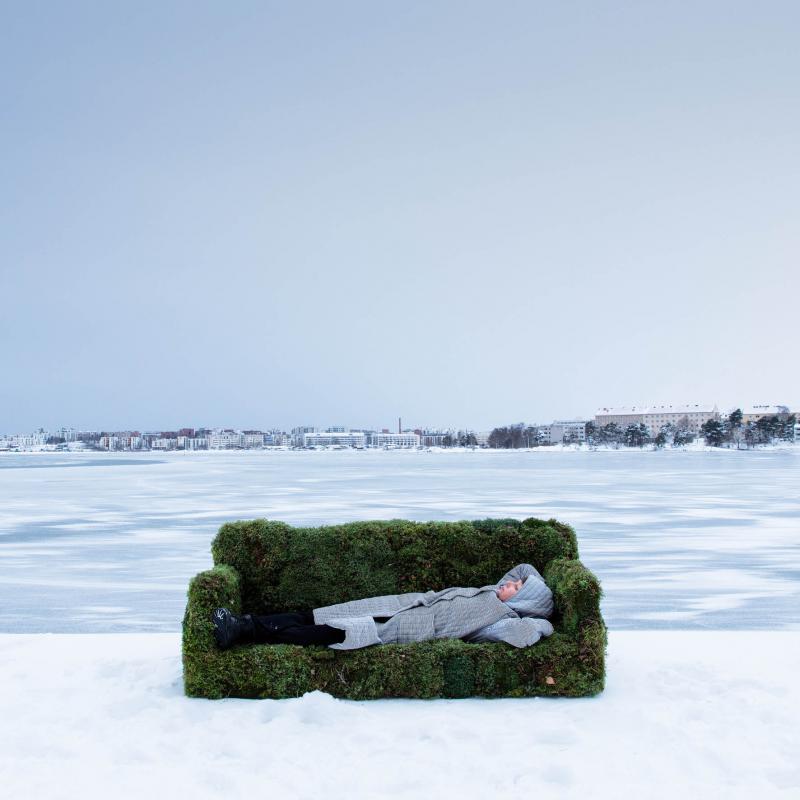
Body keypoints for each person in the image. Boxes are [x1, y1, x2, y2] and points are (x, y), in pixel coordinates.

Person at [212, 563, 554, 651]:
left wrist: (540, 620)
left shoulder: (503, 620)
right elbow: (523, 568)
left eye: (516, 588)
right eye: (513, 583)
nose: (509, 583)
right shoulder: (492, 592)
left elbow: (528, 632)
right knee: (318, 614)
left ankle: (244, 633)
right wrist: (525, 587)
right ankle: (244, 624)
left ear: (522, 602)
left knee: (325, 632)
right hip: (400, 606)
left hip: (401, 630)